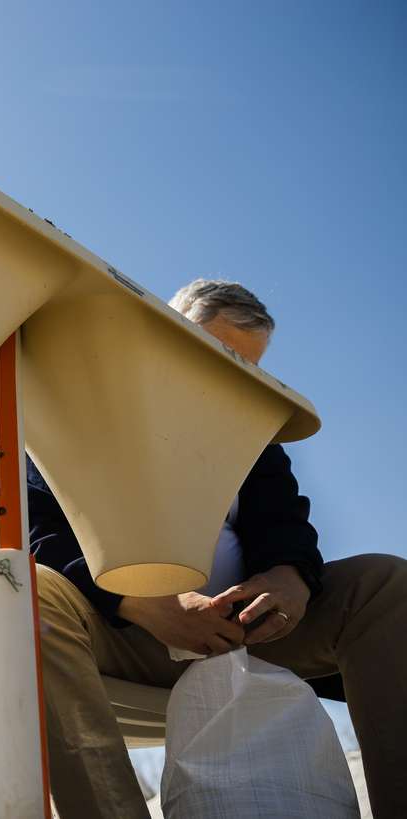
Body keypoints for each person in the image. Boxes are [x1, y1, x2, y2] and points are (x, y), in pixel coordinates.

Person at [28, 279, 406, 818]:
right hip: (126, 636)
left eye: (246, 367)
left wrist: (290, 578)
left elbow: (289, 526)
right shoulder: (83, 408)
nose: (228, 378)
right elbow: (38, 528)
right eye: (215, 353)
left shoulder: (254, 435)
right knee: (26, 592)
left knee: (384, 585)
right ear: (165, 335)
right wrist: (140, 604)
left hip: (244, 630)